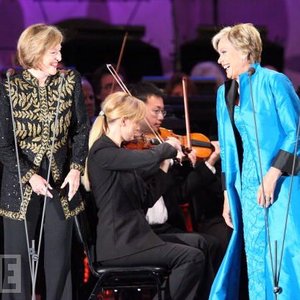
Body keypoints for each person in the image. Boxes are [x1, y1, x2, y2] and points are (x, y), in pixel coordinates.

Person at [82, 91, 206, 300]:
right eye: (137, 123)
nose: (140, 129)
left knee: (198, 245)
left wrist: (165, 167)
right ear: (123, 121)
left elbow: (146, 199)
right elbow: (145, 158)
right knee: (191, 258)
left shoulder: (119, 154)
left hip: (134, 238)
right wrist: (167, 148)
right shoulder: (103, 152)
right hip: (119, 243)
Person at [209, 23, 300, 300]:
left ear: (244, 51)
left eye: (224, 52)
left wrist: (272, 176)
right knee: (255, 255)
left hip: (282, 182)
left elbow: (295, 131)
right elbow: (226, 147)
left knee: (282, 257)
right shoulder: (224, 93)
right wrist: (227, 193)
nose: (219, 60)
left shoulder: (275, 82)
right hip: (247, 187)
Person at [0, 23, 89, 300]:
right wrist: (30, 175)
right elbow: (3, 145)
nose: (59, 58)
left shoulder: (69, 81)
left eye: (59, 51)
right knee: (13, 263)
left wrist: (76, 169)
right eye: (53, 52)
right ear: (36, 52)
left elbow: (81, 129)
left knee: (59, 260)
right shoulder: (8, 86)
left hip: (61, 182)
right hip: (20, 183)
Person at [130, 82, 227, 275]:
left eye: (163, 112)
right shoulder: (129, 150)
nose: (160, 118)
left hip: (167, 227)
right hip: (140, 232)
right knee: (198, 250)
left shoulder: (166, 143)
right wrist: (163, 160)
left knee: (214, 244)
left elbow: (180, 193)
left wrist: (208, 162)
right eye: (155, 111)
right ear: (136, 110)